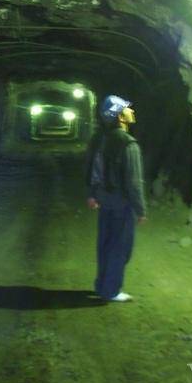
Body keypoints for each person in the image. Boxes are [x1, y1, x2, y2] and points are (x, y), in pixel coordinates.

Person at [85, 95, 147, 302]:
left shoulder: (101, 140)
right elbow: (134, 182)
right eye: (127, 109)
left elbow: (94, 169)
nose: (131, 111)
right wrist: (140, 209)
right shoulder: (129, 145)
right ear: (119, 116)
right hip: (122, 204)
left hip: (105, 202)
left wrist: (92, 194)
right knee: (120, 248)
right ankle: (111, 291)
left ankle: (101, 285)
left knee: (105, 245)